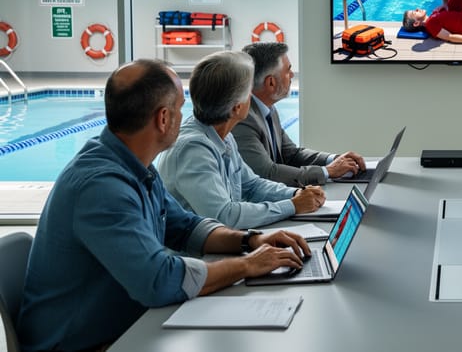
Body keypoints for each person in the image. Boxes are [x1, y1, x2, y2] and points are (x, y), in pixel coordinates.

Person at [16, 59, 310, 352]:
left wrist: (251, 240)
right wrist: (247, 265)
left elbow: (184, 227)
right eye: (182, 107)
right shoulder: (101, 187)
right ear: (163, 118)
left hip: (123, 325)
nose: (187, 116)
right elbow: (158, 280)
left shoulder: (132, 165)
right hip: (81, 345)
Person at [158, 50, 326, 229]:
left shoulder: (223, 136)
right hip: (201, 255)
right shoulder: (192, 150)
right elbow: (225, 216)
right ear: (237, 107)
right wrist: (292, 205)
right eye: (249, 93)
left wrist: (297, 193)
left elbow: (252, 185)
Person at [234, 42, 366, 186]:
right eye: (288, 70)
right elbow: (268, 174)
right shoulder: (243, 119)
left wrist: (334, 159)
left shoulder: (267, 108)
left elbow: (292, 154)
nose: (292, 75)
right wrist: (327, 171)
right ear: (271, 83)